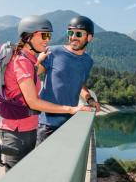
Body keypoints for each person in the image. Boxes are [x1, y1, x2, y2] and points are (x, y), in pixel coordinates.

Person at [0, 16, 90, 171]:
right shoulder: (22, 61)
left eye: (49, 36)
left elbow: (35, 77)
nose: (48, 40)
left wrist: (38, 61)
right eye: (44, 35)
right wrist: (71, 109)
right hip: (17, 130)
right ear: (28, 36)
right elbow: (33, 101)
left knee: (29, 174)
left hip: (30, 127)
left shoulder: (29, 60)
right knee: (17, 179)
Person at [36, 15, 101, 145]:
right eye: (70, 32)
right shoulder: (52, 52)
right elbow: (32, 76)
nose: (73, 37)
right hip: (47, 123)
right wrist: (37, 61)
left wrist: (89, 99)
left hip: (70, 122)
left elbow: (79, 83)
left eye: (78, 33)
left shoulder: (88, 61)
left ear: (89, 37)